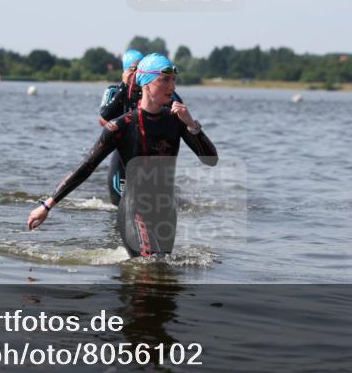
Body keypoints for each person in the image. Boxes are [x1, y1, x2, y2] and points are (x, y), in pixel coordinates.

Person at [28, 53, 217, 257]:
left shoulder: (178, 121)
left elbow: (211, 160)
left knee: (162, 272)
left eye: (173, 80)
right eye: (164, 80)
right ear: (145, 84)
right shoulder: (121, 126)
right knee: (148, 267)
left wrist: (192, 125)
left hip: (166, 211)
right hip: (134, 210)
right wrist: (47, 205)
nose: (172, 86)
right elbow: (86, 167)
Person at [99, 50, 183, 206]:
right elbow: (105, 115)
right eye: (133, 69)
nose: (137, 73)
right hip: (125, 153)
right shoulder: (114, 91)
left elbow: (179, 110)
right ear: (125, 71)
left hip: (152, 152)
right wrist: (125, 87)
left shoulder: (156, 92)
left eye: (140, 68)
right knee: (119, 206)